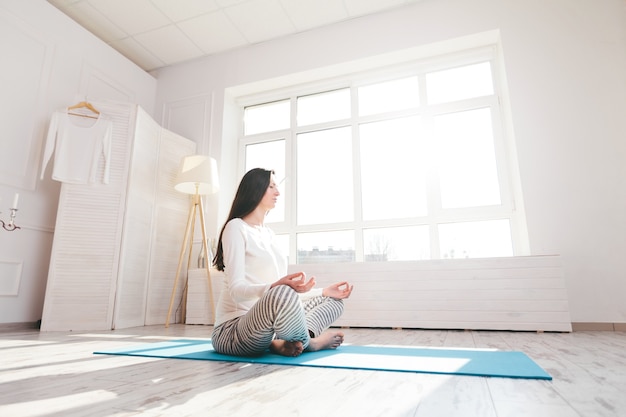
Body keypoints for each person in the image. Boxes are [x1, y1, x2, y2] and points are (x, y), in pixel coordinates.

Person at [211, 168, 353, 357]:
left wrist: (323, 292)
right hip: (233, 332)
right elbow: (237, 291)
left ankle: (280, 342)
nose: (277, 192)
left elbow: (282, 298)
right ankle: (310, 343)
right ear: (255, 189)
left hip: (269, 326)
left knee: (334, 301)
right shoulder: (236, 227)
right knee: (282, 292)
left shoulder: (270, 235)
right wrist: (275, 287)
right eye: (271, 187)